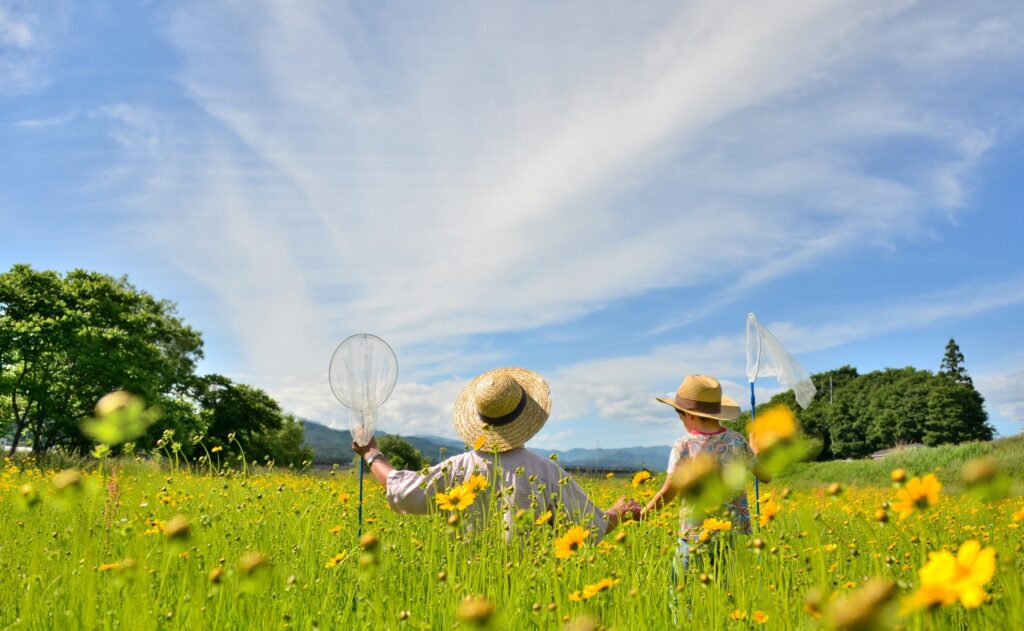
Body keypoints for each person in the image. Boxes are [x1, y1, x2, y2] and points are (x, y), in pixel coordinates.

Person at [353, 367, 641, 540]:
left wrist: (371, 454)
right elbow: (592, 527)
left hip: (465, 595)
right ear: (526, 415)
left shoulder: (456, 468)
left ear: (479, 419)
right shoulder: (547, 473)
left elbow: (400, 491)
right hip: (530, 591)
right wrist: (618, 513)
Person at [641, 375, 769, 610]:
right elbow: (765, 476)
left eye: (680, 416)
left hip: (693, 534)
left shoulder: (684, 445)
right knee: (724, 593)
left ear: (689, 415)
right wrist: (754, 451)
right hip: (728, 535)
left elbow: (669, 491)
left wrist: (644, 513)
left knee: (681, 593)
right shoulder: (737, 441)